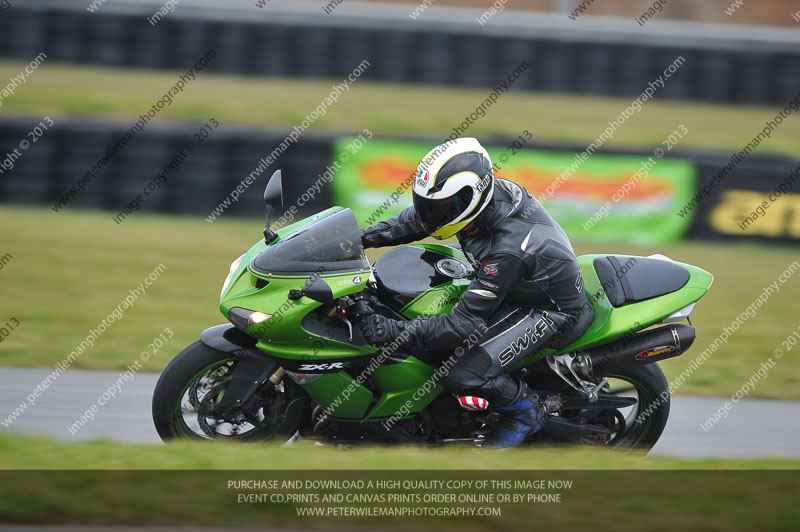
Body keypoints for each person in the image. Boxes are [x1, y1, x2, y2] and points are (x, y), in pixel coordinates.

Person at [359, 137, 593, 448]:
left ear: (471, 197)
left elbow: (463, 325)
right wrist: (360, 239)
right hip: (517, 282)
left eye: (442, 207)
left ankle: (527, 412)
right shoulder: (474, 204)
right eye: (429, 204)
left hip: (546, 308)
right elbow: (421, 220)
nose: (432, 214)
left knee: (464, 374)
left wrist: (395, 331)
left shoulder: (505, 249)